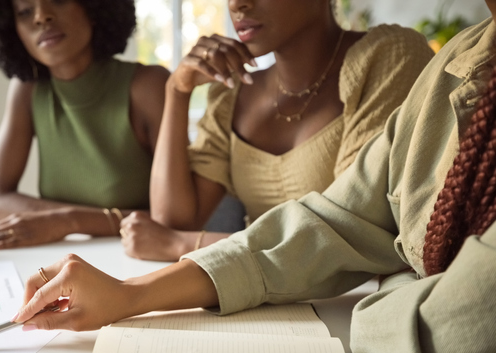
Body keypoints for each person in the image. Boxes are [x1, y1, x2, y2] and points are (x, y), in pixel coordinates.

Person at [14, 4, 496, 353]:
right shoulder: (461, 57)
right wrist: (132, 293)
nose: (238, 4)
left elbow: (455, 339)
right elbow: (338, 221)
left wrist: (385, 284)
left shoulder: (386, 56)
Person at [118, 0, 433, 261]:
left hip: (357, 304)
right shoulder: (231, 94)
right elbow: (172, 221)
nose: (236, 4)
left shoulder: (390, 56)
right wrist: (177, 90)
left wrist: (185, 244)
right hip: (264, 302)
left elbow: (350, 230)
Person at [0, 0, 168, 249]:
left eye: (58, 0)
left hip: (137, 260)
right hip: (59, 255)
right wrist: (68, 222)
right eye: (25, 12)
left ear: (93, 8)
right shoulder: (27, 91)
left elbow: (173, 218)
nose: (41, 17)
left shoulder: (148, 86)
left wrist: (68, 221)